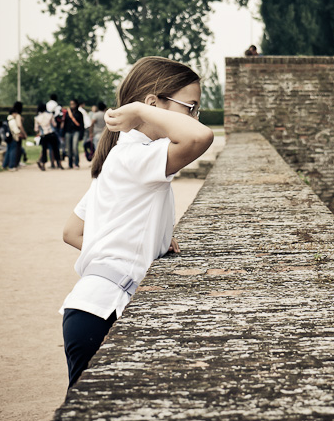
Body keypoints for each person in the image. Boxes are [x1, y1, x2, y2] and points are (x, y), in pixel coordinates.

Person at [60, 56, 213, 388]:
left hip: (89, 310)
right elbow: (200, 138)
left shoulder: (121, 158)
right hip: (104, 313)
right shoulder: (135, 156)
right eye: (191, 108)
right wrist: (140, 111)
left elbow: (72, 231)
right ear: (153, 103)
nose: (194, 117)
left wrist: (150, 241)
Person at [34, 102, 62, 170]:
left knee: (44, 150)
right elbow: (54, 124)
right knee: (55, 149)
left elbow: (36, 129)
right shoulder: (50, 115)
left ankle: (43, 165)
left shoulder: (37, 118)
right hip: (51, 134)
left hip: (43, 135)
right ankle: (59, 164)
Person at [2, 102, 27, 170]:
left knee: (8, 150)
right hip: (13, 137)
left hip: (8, 137)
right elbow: (16, 127)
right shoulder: (13, 120)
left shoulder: (8, 119)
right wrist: (21, 134)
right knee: (13, 151)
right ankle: (11, 165)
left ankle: (4, 165)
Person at [62, 99, 84, 169]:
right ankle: (70, 163)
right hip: (68, 131)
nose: (72, 105)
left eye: (73, 104)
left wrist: (81, 135)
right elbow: (65, 123)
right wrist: (63, 134)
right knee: (69, 148)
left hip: (76, 131)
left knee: (75, 147)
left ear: (76, 104)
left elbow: (82, 125)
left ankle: (76, 163)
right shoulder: (68, 113)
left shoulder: (79, 113)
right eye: (71, 104)